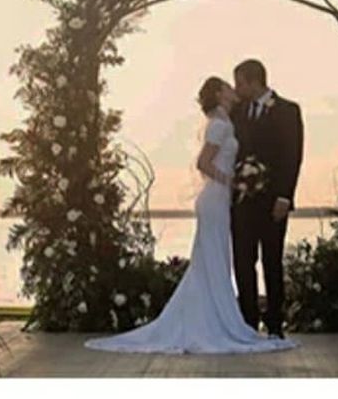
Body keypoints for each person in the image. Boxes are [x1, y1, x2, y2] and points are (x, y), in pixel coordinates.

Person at [84, 77, 296, 354]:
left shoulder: (228, 119)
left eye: (237, 84)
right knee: (212, 260)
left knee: (214, 261)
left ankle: (217, 319)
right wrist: (232, 181)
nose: (235, 89)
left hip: (221, 201)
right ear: (220, 94)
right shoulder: (220, 125)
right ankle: (210, 322)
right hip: (216, 198)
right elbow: (202, 163)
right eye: (229, 87)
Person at [231, 59, 303, 339]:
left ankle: (275, 323)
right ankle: (247, 322)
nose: (237, 88)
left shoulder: (287, 110)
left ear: (253, 81)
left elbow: (292, 155)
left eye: (239, 83)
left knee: (272, 260)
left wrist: (285, 195)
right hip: (242, 201)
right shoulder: (237, 111)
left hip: (274, 201)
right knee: (242, 259)